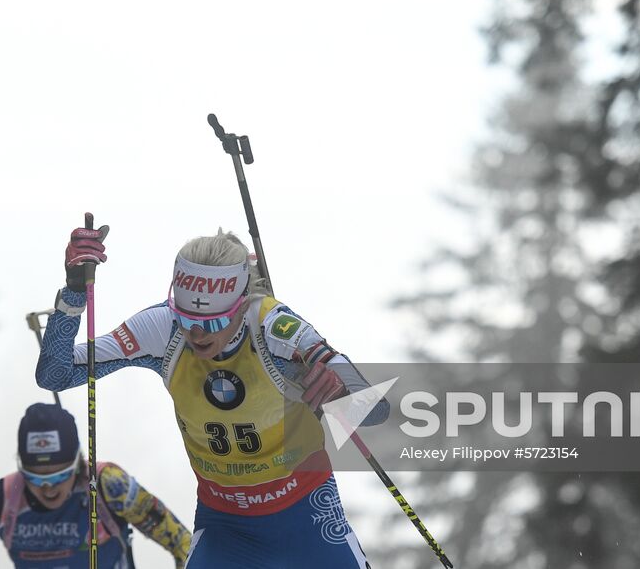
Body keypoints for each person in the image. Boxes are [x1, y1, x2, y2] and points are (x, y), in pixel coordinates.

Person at [36, 224, 389, 569]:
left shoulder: (275, 330)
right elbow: (55, 375)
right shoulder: (162, 329)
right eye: (186, 317)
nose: (197, 333)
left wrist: (340, 389)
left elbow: (375, 410)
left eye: (214, 321)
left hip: (306, 516)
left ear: (242, 305)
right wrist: (73, 295)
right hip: (225, 525)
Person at [0, 402, 191, 568]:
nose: (48, 488)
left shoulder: (108, 485)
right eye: (36, 478)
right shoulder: (3, 497)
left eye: (59, 475)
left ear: (77, 464)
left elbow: (183, 545)